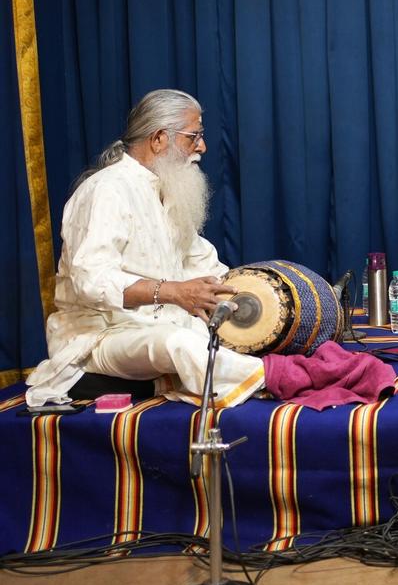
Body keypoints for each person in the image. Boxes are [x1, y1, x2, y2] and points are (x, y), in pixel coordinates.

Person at [26, 90, 265, 407]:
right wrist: (174, 292)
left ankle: (281, 368)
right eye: (193, 137)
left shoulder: (167, 192)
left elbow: (205, 266)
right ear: (159, 139)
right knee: (180, 345)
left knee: (243, 335)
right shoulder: (105, 190)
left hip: (161, 327)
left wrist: (255, 293)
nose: (202, 147)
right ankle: (285, 376)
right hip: (100, 338)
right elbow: (92, 282)